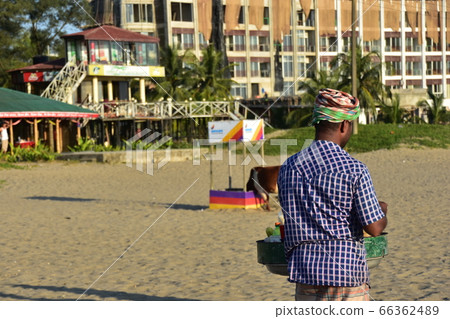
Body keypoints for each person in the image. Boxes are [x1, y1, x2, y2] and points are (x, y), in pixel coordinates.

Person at [278, 88, 387, 301]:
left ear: (317, 123)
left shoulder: (289, 167)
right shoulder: (354, 169)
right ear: (344, 125)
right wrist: (381, 211)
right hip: (346, 277)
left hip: (305, 274)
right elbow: (374, 228)